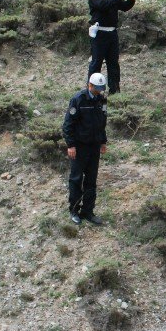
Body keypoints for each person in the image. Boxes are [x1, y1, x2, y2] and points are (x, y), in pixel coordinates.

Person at [62, 73, 109, 225]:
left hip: (94, 146)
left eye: (101, 88)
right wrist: (71, 145)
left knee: (91, 180)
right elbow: (68, 125)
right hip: (79, 147)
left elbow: (102, 122)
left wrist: (103, 141)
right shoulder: (78, 100)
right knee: (76, 180)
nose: (99, 91)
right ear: (90, 85)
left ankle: (88, 211)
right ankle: (74, 211)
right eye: (97, 88)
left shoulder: (102, 99)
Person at [88, 0, 136, 95]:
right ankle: (92, 90)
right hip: (99, 33)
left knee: (113, 62)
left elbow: (124, 7)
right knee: (96, 62)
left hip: (112, 33)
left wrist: (131, 0)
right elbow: (103, 5)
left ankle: (114, 89)